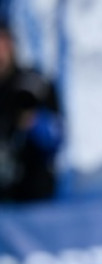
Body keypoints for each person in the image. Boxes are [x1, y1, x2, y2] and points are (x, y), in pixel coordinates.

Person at [0, 17, 63, 202]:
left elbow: (56, 135)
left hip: (28, 191)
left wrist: (33, 122)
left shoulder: (33, 84)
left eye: (3, 42)